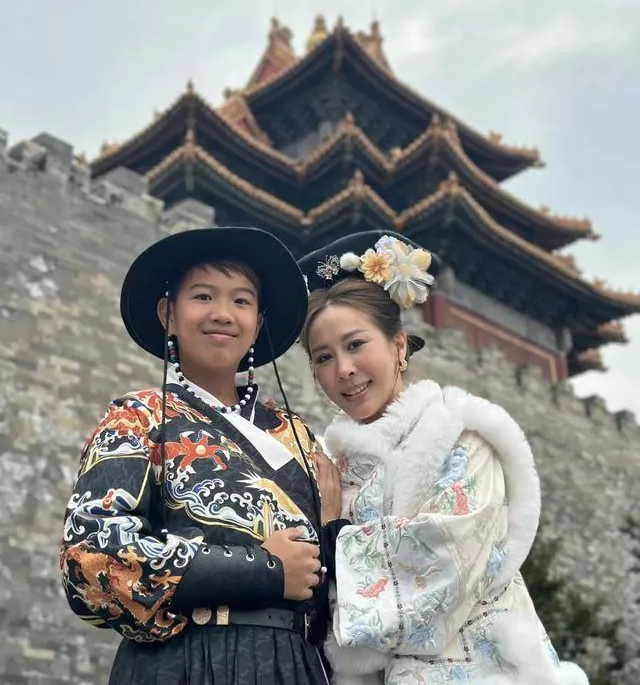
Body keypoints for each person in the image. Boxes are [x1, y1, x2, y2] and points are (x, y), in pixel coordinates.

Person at [298, 231, 589, 685]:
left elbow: (444, 560)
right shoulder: (327, 466)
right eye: (323, 357)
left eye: (355, 345)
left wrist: (334, 532)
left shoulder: (460, 436)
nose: (344, 369)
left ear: (399, 346)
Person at [61, 227, 331, 685]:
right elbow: (90, 559)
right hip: (182, 663)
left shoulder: (298, 436)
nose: (223, 313)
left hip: (293, 665)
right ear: (168, 314)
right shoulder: (136, 419)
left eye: (242, 301)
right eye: (203, 296)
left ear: (258, 325)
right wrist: (264, 571)